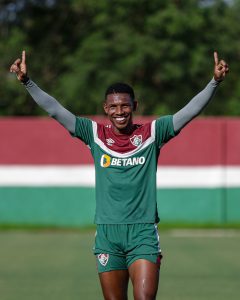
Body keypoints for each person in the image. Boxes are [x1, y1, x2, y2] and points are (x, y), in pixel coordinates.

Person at [10, 50, 229, 300]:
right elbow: (56, 111)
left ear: (135, 106)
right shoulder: (93, 134)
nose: (120, 111)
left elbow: (189, 112)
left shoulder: (153, 133)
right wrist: (28, 82)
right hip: (107, 234)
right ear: (105, 108)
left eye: (125, 105)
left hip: (143, 233)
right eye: (113, 106)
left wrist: (214, 82)